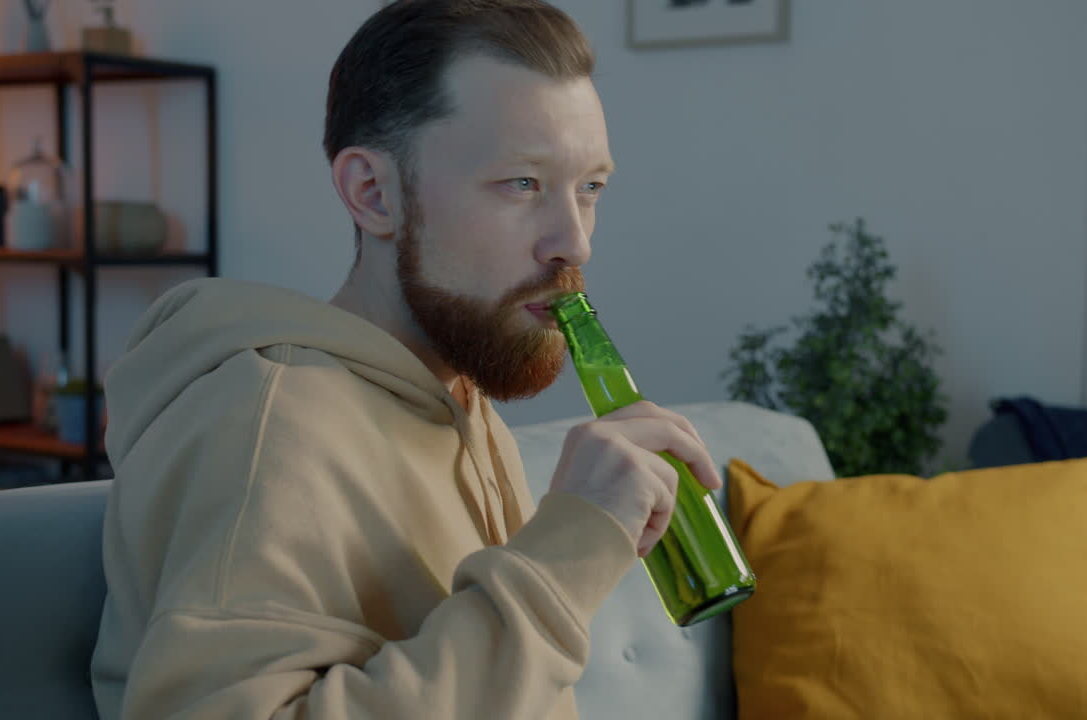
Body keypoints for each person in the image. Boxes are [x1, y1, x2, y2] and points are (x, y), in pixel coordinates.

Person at [89, 1, 722, 718]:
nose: (573, 243)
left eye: (590, 187)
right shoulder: (269, 426)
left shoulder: (458, 400)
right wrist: (565, 555)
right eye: (522, 183)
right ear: (373, 193)